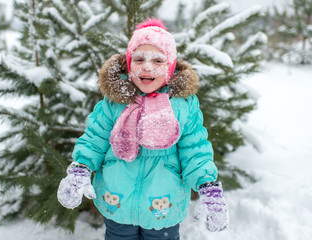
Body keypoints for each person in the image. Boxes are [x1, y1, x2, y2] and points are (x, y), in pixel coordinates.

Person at [57, 18, 229, 240]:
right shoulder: (114, 102)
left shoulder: (183, 105)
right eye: (139, 59)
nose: (147, 66)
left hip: (163, 205)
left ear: (170, 67)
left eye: (158, 60)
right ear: (129, 65)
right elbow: (94, 139)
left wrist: (208, 187)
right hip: (116, 202)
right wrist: (80, 169)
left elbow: (195, 149)